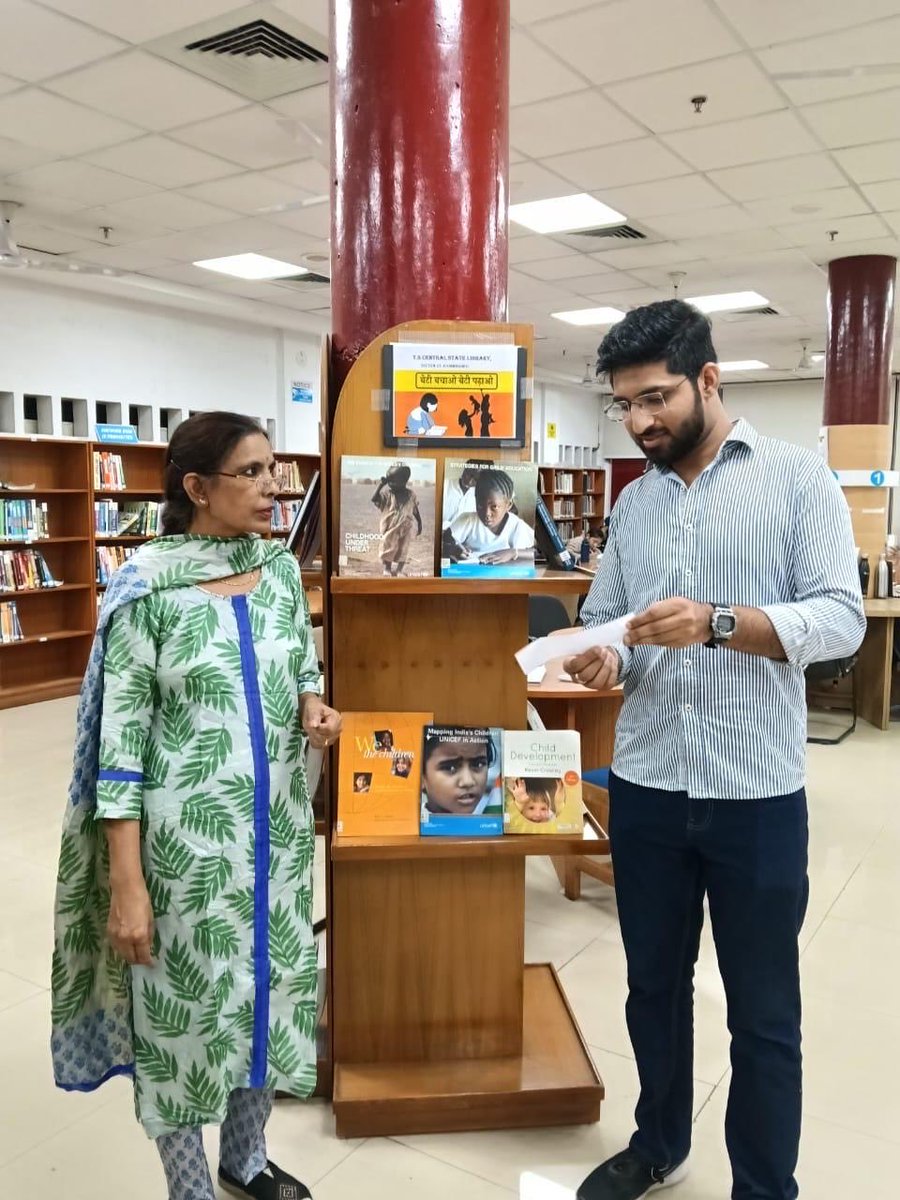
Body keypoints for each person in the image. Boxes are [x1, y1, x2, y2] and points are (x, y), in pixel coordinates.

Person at [564, 300, 865, 1200]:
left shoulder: (796, 480)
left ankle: (766, 1186)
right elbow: (603, 616)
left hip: (756, 792)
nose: (641, 421)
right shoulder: (636, 502)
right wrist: (603, 652)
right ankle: (657, 1145)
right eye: (625, 405)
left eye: (655, 398)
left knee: (763, 1011)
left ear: (708, 379)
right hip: (648, 784)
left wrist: (722, 622)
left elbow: (840, 617)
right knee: (652, 988)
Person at [51, 411, 343, 1200]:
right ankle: (190, 1187)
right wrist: (127, 881)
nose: (273, 487)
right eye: (251, 473)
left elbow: (302, 663)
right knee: (183, 1020)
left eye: (273, 469)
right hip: (185, 854)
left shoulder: (280, 572)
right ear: (197, 488)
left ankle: (244, 1158)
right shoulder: (147, 587)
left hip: (276, 843)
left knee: (265, 998)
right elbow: (119, 749)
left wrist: (314, 705)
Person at [444, 468, 535, 566]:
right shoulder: (468, 520)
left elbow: (538, 553)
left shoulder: (517, 526)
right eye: (480, 505)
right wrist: (452, 549)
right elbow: (444, 541)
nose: (486, 513)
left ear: (508, 505)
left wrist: (513, 552)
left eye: (494, 507)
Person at [421, 731, 501, 817]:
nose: (468, 781)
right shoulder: (412, 825)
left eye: (478, 764)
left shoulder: (489, 822)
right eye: (450, 768)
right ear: (421, 777)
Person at [371, 462, 423, 577]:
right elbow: (374, 499)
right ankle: (387, 568)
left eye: (393, 481)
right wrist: (380, 485)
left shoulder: (411, 495)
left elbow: (415, 510)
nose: (390, 483)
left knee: (403, 548)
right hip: (390, 527)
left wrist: (420, 523)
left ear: (404, 480)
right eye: (389, 481)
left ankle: (399, 570)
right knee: (388, 546)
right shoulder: (387, 494)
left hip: (406, 526)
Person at [441, 459, 490, 529]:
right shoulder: (445, 485)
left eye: (476, 479)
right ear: (465, 468)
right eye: (469, 474)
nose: (469, 481)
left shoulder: (480, 497)